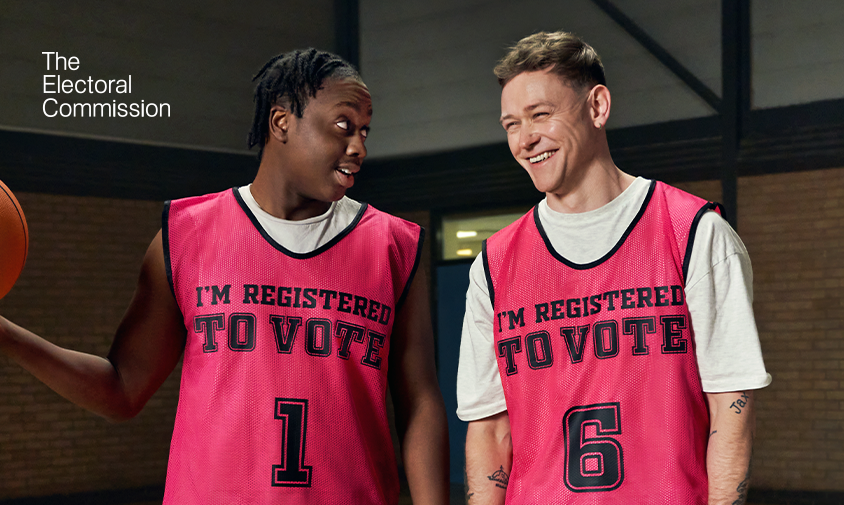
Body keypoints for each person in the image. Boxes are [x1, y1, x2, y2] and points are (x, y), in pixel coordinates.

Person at [0, 48, 449, 505]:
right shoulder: (186, 234)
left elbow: (420, 404)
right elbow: (121, 389)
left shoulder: (395, 245)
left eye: (364, 131)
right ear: (281, 123)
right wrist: (5, 334)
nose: (358, 147)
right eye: (342, 126)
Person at [457, 32, 770, 504]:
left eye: (541, 114)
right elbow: (490, 428)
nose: (525, 139)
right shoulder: (494, 265)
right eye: (511, 124)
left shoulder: (694, 234)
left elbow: (732, 410)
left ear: (597, 106)